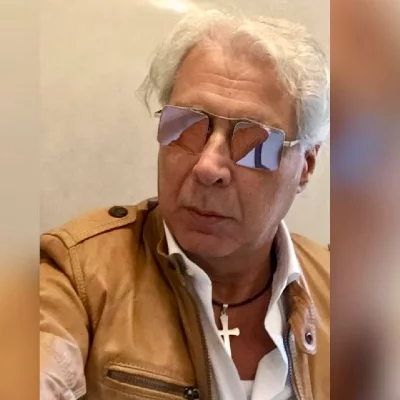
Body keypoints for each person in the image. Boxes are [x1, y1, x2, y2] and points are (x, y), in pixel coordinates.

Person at [40, 10, 330, 400]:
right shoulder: (79, 275)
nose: (208, 167)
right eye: (186, 126)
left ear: (306, 166)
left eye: (255, 144)